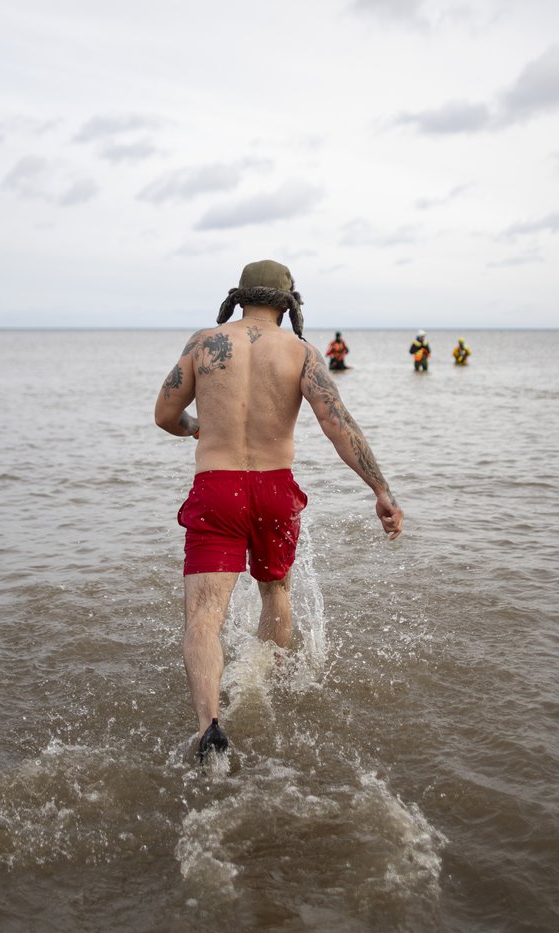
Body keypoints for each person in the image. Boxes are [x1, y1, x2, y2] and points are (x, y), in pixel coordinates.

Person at [154, 259, 404, 762]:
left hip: (216, 487)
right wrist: (381, 489)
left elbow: (164, 415)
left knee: (204, 617)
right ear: (287, 304)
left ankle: (210, 727)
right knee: (276, 594)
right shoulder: (301, 351)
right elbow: (339, 425)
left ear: (240, 297)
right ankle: (269, 688)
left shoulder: (204, 342)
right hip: (274, 490)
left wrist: (199, 429)